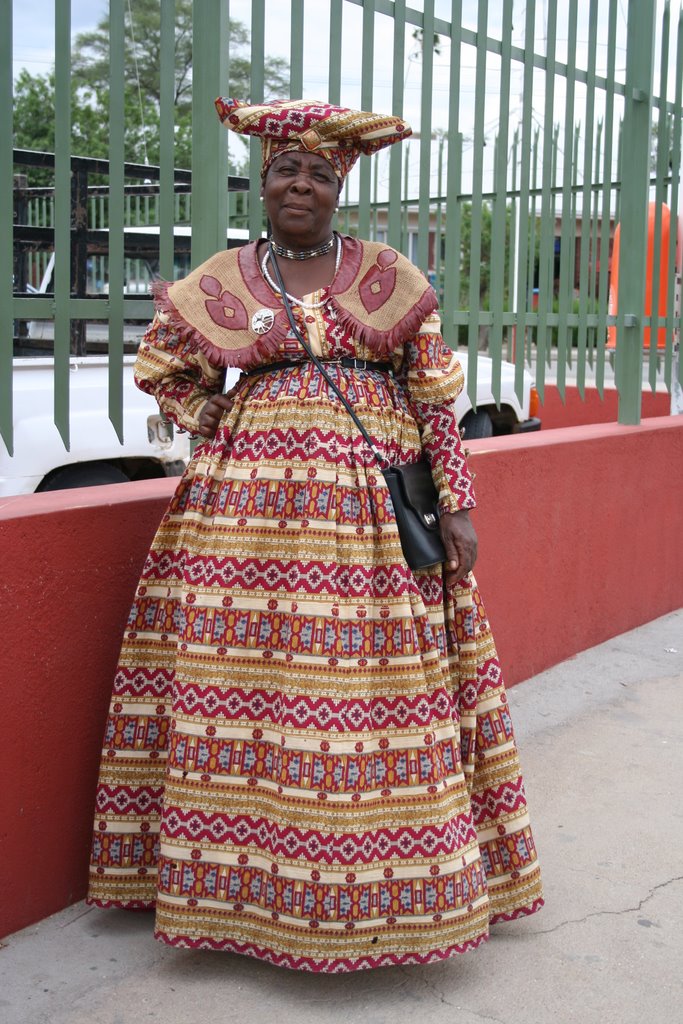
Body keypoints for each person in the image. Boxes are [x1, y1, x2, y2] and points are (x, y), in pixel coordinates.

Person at [87, 98, 543, 972]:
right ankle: (244, 898)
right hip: (242, 522)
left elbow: (432, 396)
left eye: (320, 174)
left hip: (369, 516)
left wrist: (455, 502)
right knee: (245, 689)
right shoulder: (222, 279)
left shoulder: (387, 275)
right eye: (287, 171)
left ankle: (378, 896)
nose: (302, 185)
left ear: (342, 189)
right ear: (263, 184)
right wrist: (208, 411)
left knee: (367, 694)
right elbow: (161, 364)